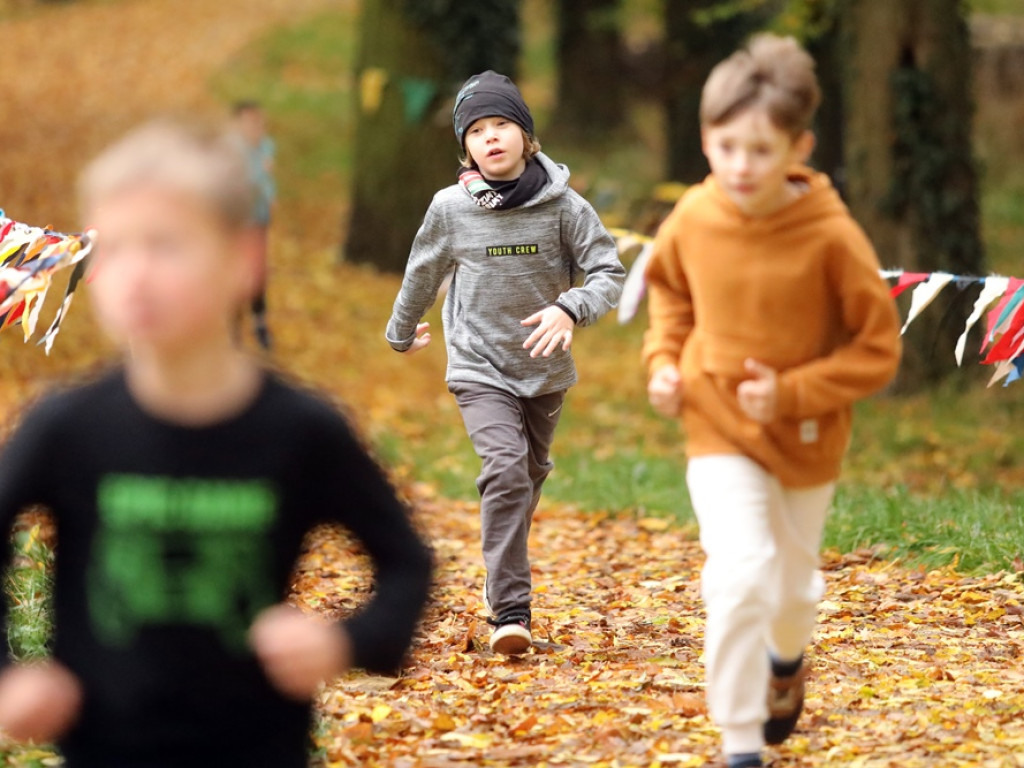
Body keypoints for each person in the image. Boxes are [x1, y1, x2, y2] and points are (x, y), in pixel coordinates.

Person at [0, 119, 432, 768]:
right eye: (113, 249)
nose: (135, 274)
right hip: (102, 751)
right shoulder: (65, 429)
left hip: (258, 750)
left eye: (166, 246)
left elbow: (406, 566)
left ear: (243, 261)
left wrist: (344, 642)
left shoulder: (302, 431)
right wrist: (10, 675)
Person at [643, 35, 901, 768]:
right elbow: (668, 289)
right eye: (726, 146)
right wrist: (664, 362)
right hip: (716, 423)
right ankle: (739, 740)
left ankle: (787, 661)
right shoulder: (693, 216)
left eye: (760, 149)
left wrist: (791, 393)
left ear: (799, 145)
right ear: (705, 139)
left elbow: (877, 349)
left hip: (807, 437)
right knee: (739, 569)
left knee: (790, 590)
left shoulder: (830, 235)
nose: (741, 166)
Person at [386, 71, 624, 655]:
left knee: (527, 477)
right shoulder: (450, 208)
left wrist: (571, 309)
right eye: (477, 131)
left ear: (526, 136)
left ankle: (500, 575)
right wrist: (399, 332)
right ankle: (510, 612)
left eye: (502, 125)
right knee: (506, 469)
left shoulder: (564, 206)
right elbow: (423, 272)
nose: (490, 138)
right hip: (477, 363)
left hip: (543, 371)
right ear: (464, 146)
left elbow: (609, 273)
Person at [232, 100, 276, 351]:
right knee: (236, 271)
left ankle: (259, 321)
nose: (256, 127)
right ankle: (232, 327)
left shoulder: (265, 146)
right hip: (238, 222)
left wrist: (271, 197)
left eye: (259, 122)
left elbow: (266, 179)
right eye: (249, 122)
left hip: (258, 218)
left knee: (258, 270)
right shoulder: (232, 151)